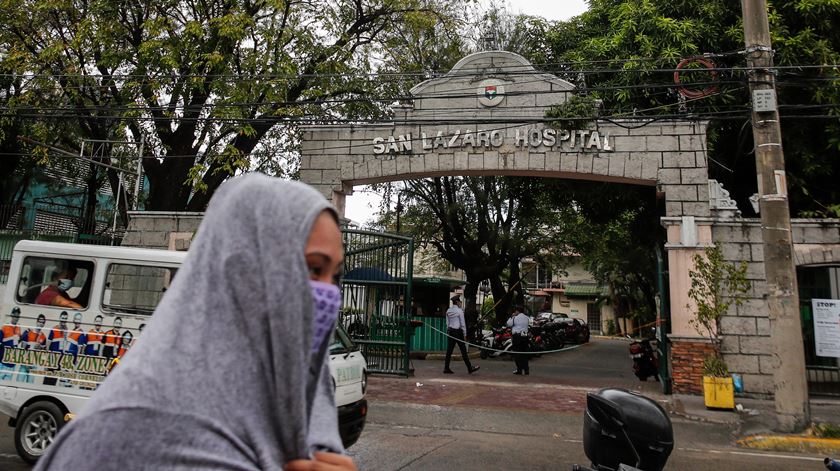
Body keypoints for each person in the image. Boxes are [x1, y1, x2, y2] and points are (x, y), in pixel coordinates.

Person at [35, 174, 356, 471]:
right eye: (314, 269)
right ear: (243, 274)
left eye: (335, 275)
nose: (328, 292)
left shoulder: (307, 397)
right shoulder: (124, 433)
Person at [443, 295, 480, 375]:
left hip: (451, 331)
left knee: (449, 351)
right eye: (459, 301)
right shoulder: (460, 311)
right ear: (457, 302)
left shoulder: (449, 310)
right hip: (458, 332)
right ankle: (470, 368)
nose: (460, 303)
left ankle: (446, 368)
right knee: (463, 351)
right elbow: (462, 324)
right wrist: (465, 334)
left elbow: (447, 323)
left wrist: (448, 330)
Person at [507, 305, 530, 375]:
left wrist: (511, 316)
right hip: (525, 335)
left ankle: (519, 369)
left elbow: (508, 324)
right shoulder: (527, 318)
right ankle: (526, 370)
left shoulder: (515, 317)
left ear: (517, 311)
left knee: (517, 353)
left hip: (517, 336)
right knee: (524, 353)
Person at [0, 307, 22, 380]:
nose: (16, 317)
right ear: (11, 315)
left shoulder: (19, 328)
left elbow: (16, 342)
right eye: (15, 315)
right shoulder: (5, 327)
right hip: (2, 363)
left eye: (18, 316)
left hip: (11, 364)